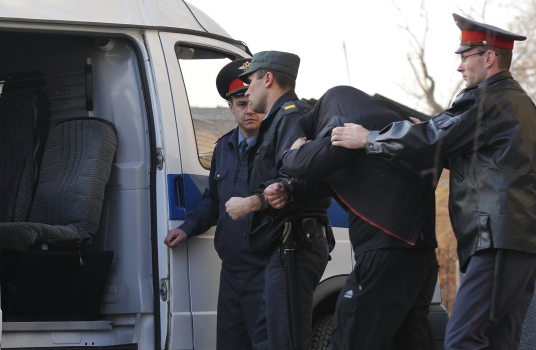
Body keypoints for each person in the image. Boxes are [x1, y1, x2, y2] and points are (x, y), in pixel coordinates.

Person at [330, 13, 536, 350]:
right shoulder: (522, 105)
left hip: (496, 241)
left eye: (465, 56)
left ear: (488, 57)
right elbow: (488, 159)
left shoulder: (486, 99)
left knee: (462, 339)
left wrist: (369, 138)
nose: (460, 67)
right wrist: (429, 135)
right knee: (499, 342)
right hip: (519, 244)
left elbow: (434, 137)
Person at [278, 85, 441, 349]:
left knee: (349, 336)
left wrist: (293, 150)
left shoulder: (338, 114)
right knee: (410, 339)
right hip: (420, 252)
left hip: (385, 249)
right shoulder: (383, 115)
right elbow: (329, 176)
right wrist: (289, 187)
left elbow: (303, 163)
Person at [224, 50, 333, 350]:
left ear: (268, 79)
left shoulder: (290, 116)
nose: (248, 90)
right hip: (283, 245)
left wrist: (254, 202)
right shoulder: (277, 122)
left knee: (284, 340)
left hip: (296, 242)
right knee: (270, 337)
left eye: (251, 83)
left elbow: (301, 174)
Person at [163, 58, 265, 350]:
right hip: (232, 269)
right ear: (231, 108)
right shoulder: (224, 147)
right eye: (241, 104)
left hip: (265, 270)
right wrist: (186, 229)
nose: (249, 111)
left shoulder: (277, 145)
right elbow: (214, 200)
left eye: (252, 103)